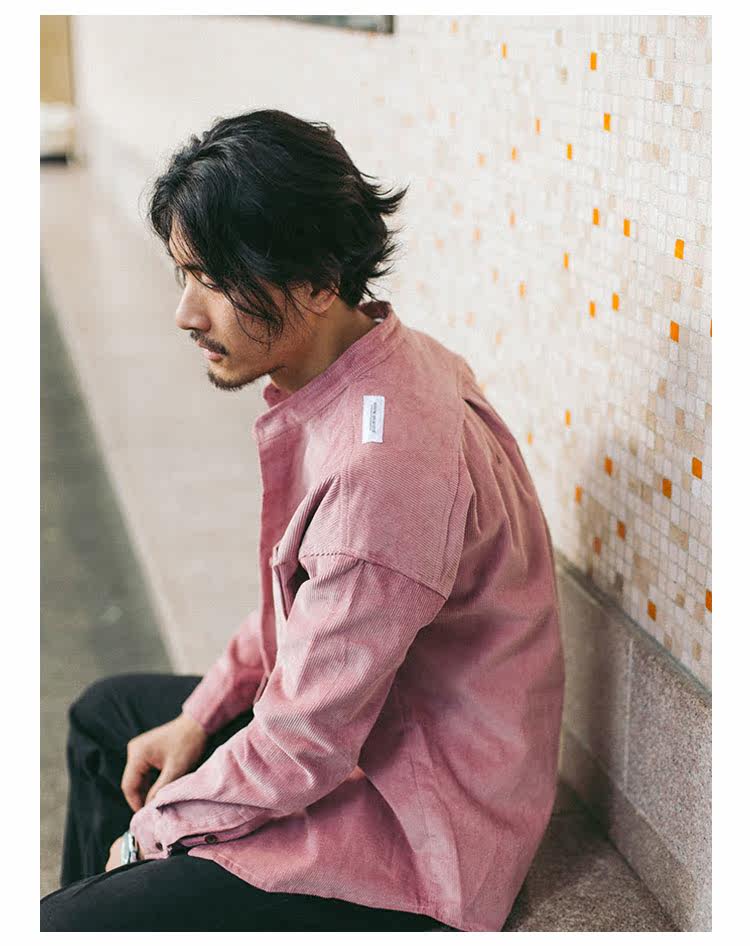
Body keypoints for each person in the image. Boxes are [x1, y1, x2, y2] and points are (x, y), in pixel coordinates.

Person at [41, 108, 565, 932]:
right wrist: (200, 716)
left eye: (215, 280)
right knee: (110, 720)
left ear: (318, 282)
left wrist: (151, 837)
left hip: (418, 825)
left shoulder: (381, 474)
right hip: (375, 729)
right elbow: (304, 612)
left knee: (72, 918)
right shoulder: (382, 356)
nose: (186, 313)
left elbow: (304, 745)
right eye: (184, 274)